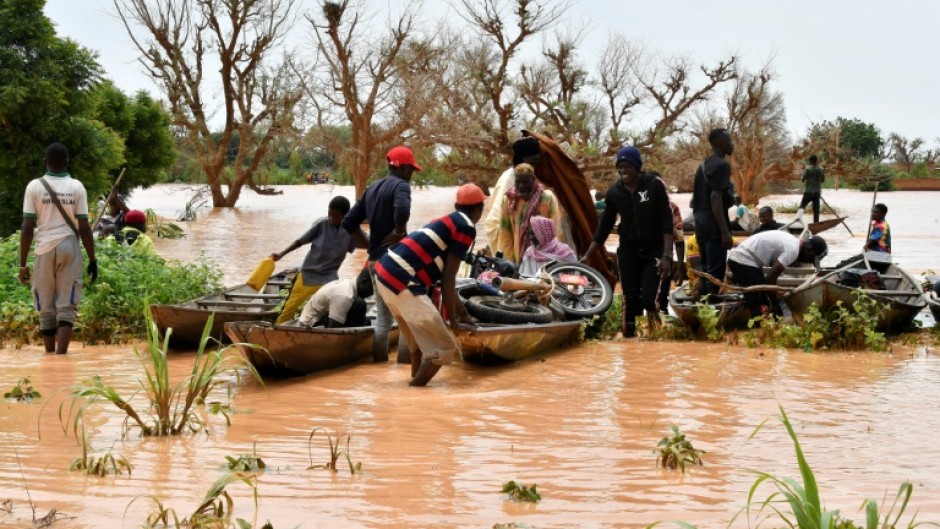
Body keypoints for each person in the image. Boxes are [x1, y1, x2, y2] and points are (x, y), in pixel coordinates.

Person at [374, 184, 485, 386]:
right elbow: (449, 278)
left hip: (384, 275)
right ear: (480, 209)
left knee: (418, 345)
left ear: (456, 206)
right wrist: (454, 321)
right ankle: (414, 391)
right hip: (403, 280)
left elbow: (444, 281)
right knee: (444, 347)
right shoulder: (466, 226)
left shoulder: (445, 221)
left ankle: (413, 404)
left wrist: (463, 315)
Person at [581, 146, 673, 337]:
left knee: (648, 299)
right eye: (620, 167)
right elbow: (604, 227)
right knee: (629, 299)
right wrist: (588, 255)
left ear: (637, 167)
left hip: (653, 252)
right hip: (629, 252)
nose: (623, 171)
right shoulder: (614, 192)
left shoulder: (654, 185)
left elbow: (667, 222)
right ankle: (629, 342)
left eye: (627, 166)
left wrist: (666, 255)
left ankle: (655, 323)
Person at [18, 143, 98, 355]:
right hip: (69, 246)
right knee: (67, 304)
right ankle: (62, 357)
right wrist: (92, 260)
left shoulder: (34, 187)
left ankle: (49, 358)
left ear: (45, 161)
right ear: (67, 163)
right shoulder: (77, 187)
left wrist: (23, 264)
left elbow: (27, 228)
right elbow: (84, 227)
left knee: (45, 304)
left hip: (43, 248)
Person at [342, 145, 417, 362]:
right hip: (398, 260)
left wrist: (368, 244)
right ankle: (405, 368)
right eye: (411, 169)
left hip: (376, 261)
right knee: (406, 318)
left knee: (383, 319)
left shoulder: (372, 188)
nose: (412, 174)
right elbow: (402, 209)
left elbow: (349, 222)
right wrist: (399, 231)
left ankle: (379, 366)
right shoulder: (401, 186)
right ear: (402, 168)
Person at [272, 196, 363, 324]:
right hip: (308, 275)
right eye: (329, 214)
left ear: (345, 216)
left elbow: (365, 242)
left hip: (329, 277)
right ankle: (278, 329)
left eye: (336, 216)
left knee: (333, 307)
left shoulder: (351, 229)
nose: (331, 218)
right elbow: (300, 241)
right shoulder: (322, 224)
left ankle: (320, 329)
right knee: (289, 308)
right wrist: (281, 253)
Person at [728, 231, 827, 317]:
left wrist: (774, 293)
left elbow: (769, 280)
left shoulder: (794, 242)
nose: (809, 262)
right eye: (811, 259)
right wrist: (776, 305)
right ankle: (759, 329)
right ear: (809, 249)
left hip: (745, 260)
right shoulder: (793, 251)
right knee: (759, 305)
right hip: (742, 260)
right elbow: (769, 280)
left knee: (763, 296)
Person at [691, 128, 735, 298]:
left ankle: (701, 307)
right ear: (718, 143)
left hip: (700, 225)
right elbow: (715, 197)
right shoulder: (722, 165)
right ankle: (711, 308)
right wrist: (724, 230)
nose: (732, 144)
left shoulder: (703, 165)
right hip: (714, 226)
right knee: (715, 272)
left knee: (705, 267)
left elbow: (694, 201)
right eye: (729, 141)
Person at [496, 163, 562, 263]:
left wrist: (550, 257)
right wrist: (511, 259)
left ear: (533, 181)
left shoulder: (547, 198)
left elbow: (554, 230)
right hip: (519, 258)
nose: (521, 186)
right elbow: (505, 232)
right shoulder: (508, 200)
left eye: (526, 182)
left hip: (544, 257)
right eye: (518, 182)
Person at [484, 136, 542, 250]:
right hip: (507, 235)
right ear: (521, 161)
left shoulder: (533, 176)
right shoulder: (509, 179)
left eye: (537, 161)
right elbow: (496, 220)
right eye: (531, 162)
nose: (535, 166)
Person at [297, 269, 373, 328]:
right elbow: (333, 328)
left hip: (322, 315)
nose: (373, 293)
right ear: (364, 281)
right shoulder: (344, 295)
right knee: (361, 308)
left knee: (361, 307)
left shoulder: (350, 284)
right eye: (373, 288)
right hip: (311, 323)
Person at [800, 155, 825, 224]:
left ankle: (798, 221)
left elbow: (802, 179)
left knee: (802, 207)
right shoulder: (821, 169)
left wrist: (801, 175)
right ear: (816, 160)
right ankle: (816, 223)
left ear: (810, 161)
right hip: (817, 193)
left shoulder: (807, 169)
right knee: (816, 210)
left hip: (808, 192)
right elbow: (823, 180)